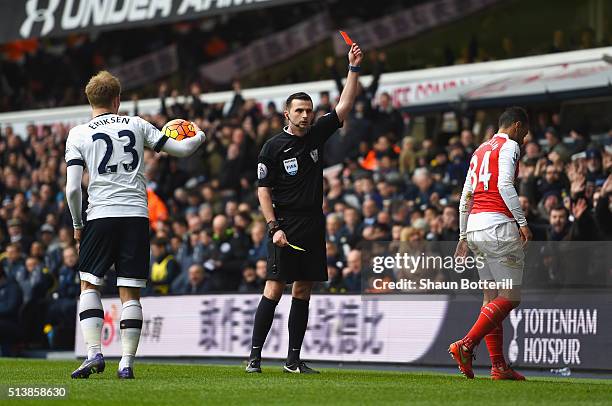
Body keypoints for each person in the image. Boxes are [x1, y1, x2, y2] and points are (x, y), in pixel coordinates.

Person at [65, 71, 205, 379]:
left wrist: (78, 223)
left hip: (100, 215)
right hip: (136, 216)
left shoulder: (77, 134)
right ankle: (126, 363)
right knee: (130, 292)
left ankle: (93, 353)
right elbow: (182, 150)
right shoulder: (136, 124)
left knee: (89, 285)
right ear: (117, 100)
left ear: (91, 100)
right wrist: (199, 135)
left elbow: (73, 188)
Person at [246, 43, 363, 374]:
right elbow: (263, 191)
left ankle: (293, 360)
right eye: (299, 110)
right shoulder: (272, 147)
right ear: (287, 113)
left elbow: (344, 105)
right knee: (274, 287)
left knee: (303, 289)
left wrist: (353, 69)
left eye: (309, 110)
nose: (306, 114)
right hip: (284, 222)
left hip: (313, 222)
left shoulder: (315, 135)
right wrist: (273, 227)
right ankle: (254, 356)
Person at [451, 107, 532, 381]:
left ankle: (498, 366)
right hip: (498, 226)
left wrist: (463, 236)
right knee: (510, 296)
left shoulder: (479, 150)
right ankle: (466, 344)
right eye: (525, 132)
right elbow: (506, 185)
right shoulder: (509, 147)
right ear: (517, 126)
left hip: (475, 227)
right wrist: (522, 222)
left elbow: (466, 196)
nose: (525, 138)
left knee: (491, 297)